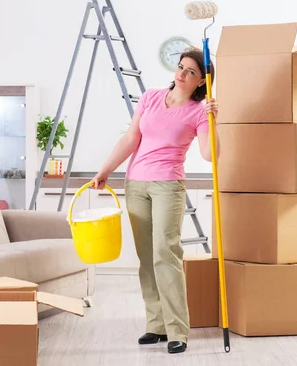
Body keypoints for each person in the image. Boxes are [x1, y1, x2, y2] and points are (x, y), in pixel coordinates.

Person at [91, 48, 219, 354]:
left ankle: (178, 330)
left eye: (191, 72)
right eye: (181, 67)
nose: (182, 74)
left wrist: (216, 121)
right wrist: (105, 170)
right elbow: (130, 138)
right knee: (147, 258)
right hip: (136, 183)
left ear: (202, 82)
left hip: (167, 186)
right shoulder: (149, 97)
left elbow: (208, 154)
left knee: (166, 253)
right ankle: (156, 325)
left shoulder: (199, 111)